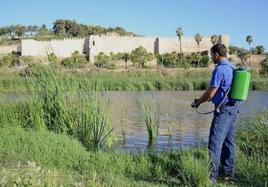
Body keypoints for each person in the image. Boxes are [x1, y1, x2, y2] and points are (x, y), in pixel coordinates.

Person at [191, 44, 239, 183]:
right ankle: (228, 174)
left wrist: (198, 102)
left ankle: (211, 178)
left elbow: (211, 92)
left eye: (212, 55)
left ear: (217, 54)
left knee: (214, 143)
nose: (211, 57)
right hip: (233, 109)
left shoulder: (219, 70)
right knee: (229, 142)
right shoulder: (232, 67)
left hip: (223, 111)